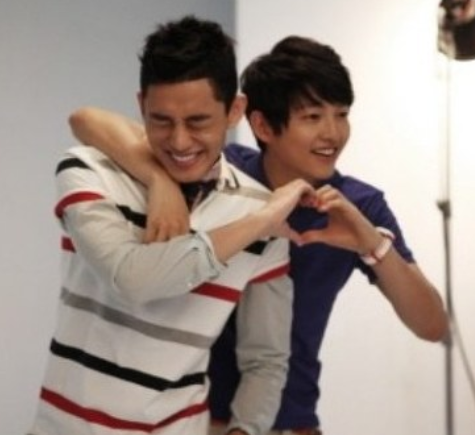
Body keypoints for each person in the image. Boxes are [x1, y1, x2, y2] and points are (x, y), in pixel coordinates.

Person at [69, 36, 448, 435]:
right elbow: (86, 120)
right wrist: (159, 181)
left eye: (341, 114)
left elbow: (432, 325)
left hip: (292, 422)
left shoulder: (358, 207)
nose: (333, 133)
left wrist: (373, 245)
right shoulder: (223, 173)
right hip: (195, 419)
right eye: (312, 117)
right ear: (263, 125)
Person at [29, 17, 318, 435]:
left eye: (198, 121)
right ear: (141, 104)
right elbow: (132, 280)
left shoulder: (264, 218)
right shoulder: (88, 170)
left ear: (235, 111)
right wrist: (254, 222)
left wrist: (244, 430)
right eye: (161, 120)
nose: (179, 141)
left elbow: (266, 360)